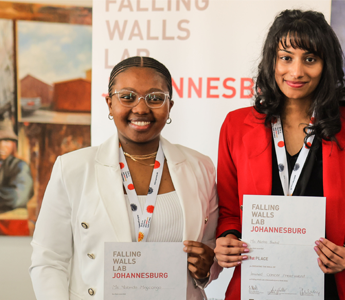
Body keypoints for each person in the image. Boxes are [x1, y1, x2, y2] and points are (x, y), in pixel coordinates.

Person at [215, 9, 345, 300]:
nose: (296, 71)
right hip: (257, 284)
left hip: (331, 286)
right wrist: (227, 240)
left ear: (325, 65)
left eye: (310, 59)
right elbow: (229, 214)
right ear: (272, 61)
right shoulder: (236, 126)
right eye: (286, 57)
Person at [29, 56, 220, 299]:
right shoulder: (73, 168)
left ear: (169, 106)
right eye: (127, 96)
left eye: (155, 98)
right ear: (109, 104)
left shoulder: (199, 166)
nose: (141, 109)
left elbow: (212, 247)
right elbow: (48, 259)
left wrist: (207, 269)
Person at [0, 118, 33, 214]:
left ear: (13, 144)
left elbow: (17, 196)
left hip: (12, 224)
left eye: (6, 140)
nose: (2, 145)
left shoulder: (20, 166)